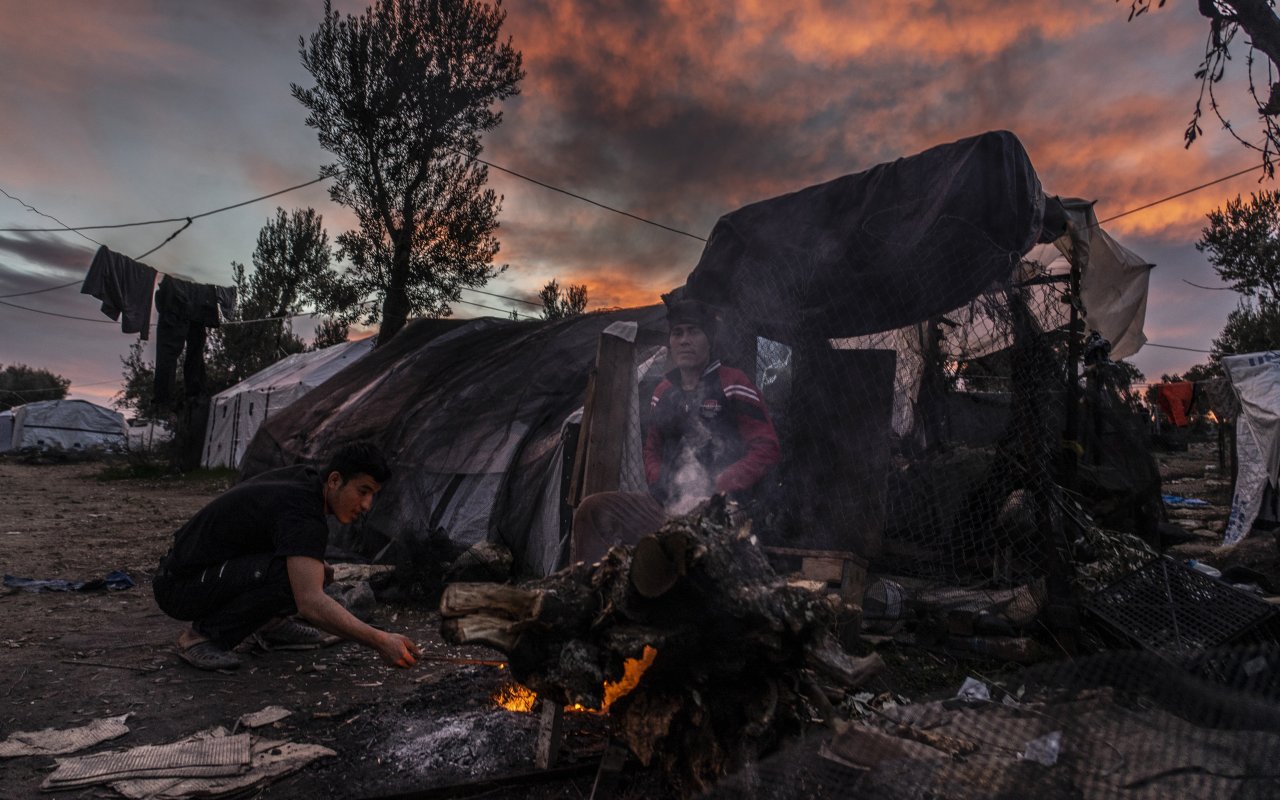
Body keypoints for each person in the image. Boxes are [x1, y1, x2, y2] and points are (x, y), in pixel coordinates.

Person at [153, 442, 421, 671]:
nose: (366, 506)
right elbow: (311, 604)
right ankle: (199, 638)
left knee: (316, 570)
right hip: (181, 587)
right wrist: (380, 640)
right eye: (363, 492)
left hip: (198, 573)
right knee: (290, 577)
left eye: (372, 495)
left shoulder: (305, 483)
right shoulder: (303, 510)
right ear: (335, 480)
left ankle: (269, 624)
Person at [572, 298, 780, 562]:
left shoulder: (733, 383)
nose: (684, 340)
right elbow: (652, 448)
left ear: (709, 339)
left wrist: (719, 487)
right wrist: (663, 482)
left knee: (693, 556)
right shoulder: (663, 392)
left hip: (722, 510)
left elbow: (767, 447)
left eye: (694, 331)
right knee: (592, 509)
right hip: (667, 508)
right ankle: (587, 592)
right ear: (670, 342)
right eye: (677, 333)